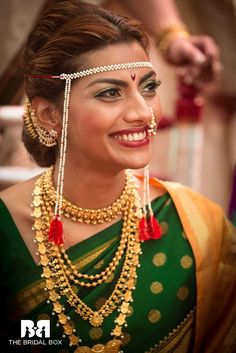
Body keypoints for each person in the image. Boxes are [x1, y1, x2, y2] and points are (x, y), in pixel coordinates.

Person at [0, 1, 235, 353]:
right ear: (50, 114)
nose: (144, 112)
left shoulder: (198, 227)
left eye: (150, 88)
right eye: (110, 92)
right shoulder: (6, 230)